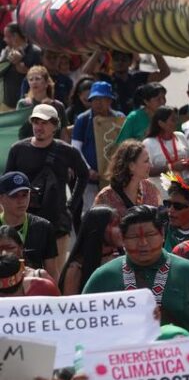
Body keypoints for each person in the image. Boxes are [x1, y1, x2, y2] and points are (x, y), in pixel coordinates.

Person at [84, 204, 189, 333]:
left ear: (162, 234)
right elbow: (83, 324)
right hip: (121, 357)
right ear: (123, 239)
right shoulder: (104, 276)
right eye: (134, 237)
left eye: (150, 235)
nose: (143, 243)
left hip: (177, 356)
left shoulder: (188, 271)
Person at [5, 104, 88, 259]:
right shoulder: (18, 149)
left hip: (57, 221)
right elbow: (6, 184)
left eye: (44, 122)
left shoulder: (67, 151)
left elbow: (84, 175)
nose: (39, 127)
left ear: (55, 125)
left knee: (54, 278)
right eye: (36, 122)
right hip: (23, 221)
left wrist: (71, 205)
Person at [70, 81, 125, 212]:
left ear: (110, 100)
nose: (98, 103)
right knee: (92, 211)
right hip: (91, 179)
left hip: (114, 178)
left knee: (116, 212)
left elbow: (125, 146)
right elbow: (75, 148)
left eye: (103, 99)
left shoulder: (120, 118)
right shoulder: (82, 119)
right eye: (95, 99)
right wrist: (88, 170)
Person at [0, 171, 58, 279]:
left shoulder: (44, 227)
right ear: (1, 198)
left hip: (33, 292)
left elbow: (52, 272)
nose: (21, 201)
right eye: (14, 196)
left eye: (25, 194)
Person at [58, 205, 121, 295]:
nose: (121, 230)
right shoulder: (76, 269)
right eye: (115, 225)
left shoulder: (123, 259)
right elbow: (72, 306)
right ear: (99, 229)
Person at [93, 139, 162, 217]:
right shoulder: (106, 197)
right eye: (146, 161)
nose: (151, 165)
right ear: (131, 166)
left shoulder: (151, 189)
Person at [103, 50, 171, 115]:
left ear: (130, 62)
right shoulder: (107, 80)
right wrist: (99, 51)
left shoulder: (138, 77)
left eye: (123, 60)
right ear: (111, 62)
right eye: (116, 60)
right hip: (114, 120)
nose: (119, 62)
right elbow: (91, 72)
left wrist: (154, 52)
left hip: (137, 121)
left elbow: (165, 72)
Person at [144, 105, 189, 178]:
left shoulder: (180, 136)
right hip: (162, 187)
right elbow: (146, 170)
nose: (177, 122)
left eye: (176, 119)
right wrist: (171, 167)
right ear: (161, 123)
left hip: (185, 185)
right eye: (173, 120)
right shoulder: (148, 143)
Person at [2, 23, 42, 110]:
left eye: (7, 36)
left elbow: (36, 74)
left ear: (15, 36)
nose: (4, 40)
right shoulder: (7, 51)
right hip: (7, 102)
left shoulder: (35, 52)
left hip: (27, 103)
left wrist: (18, 61)